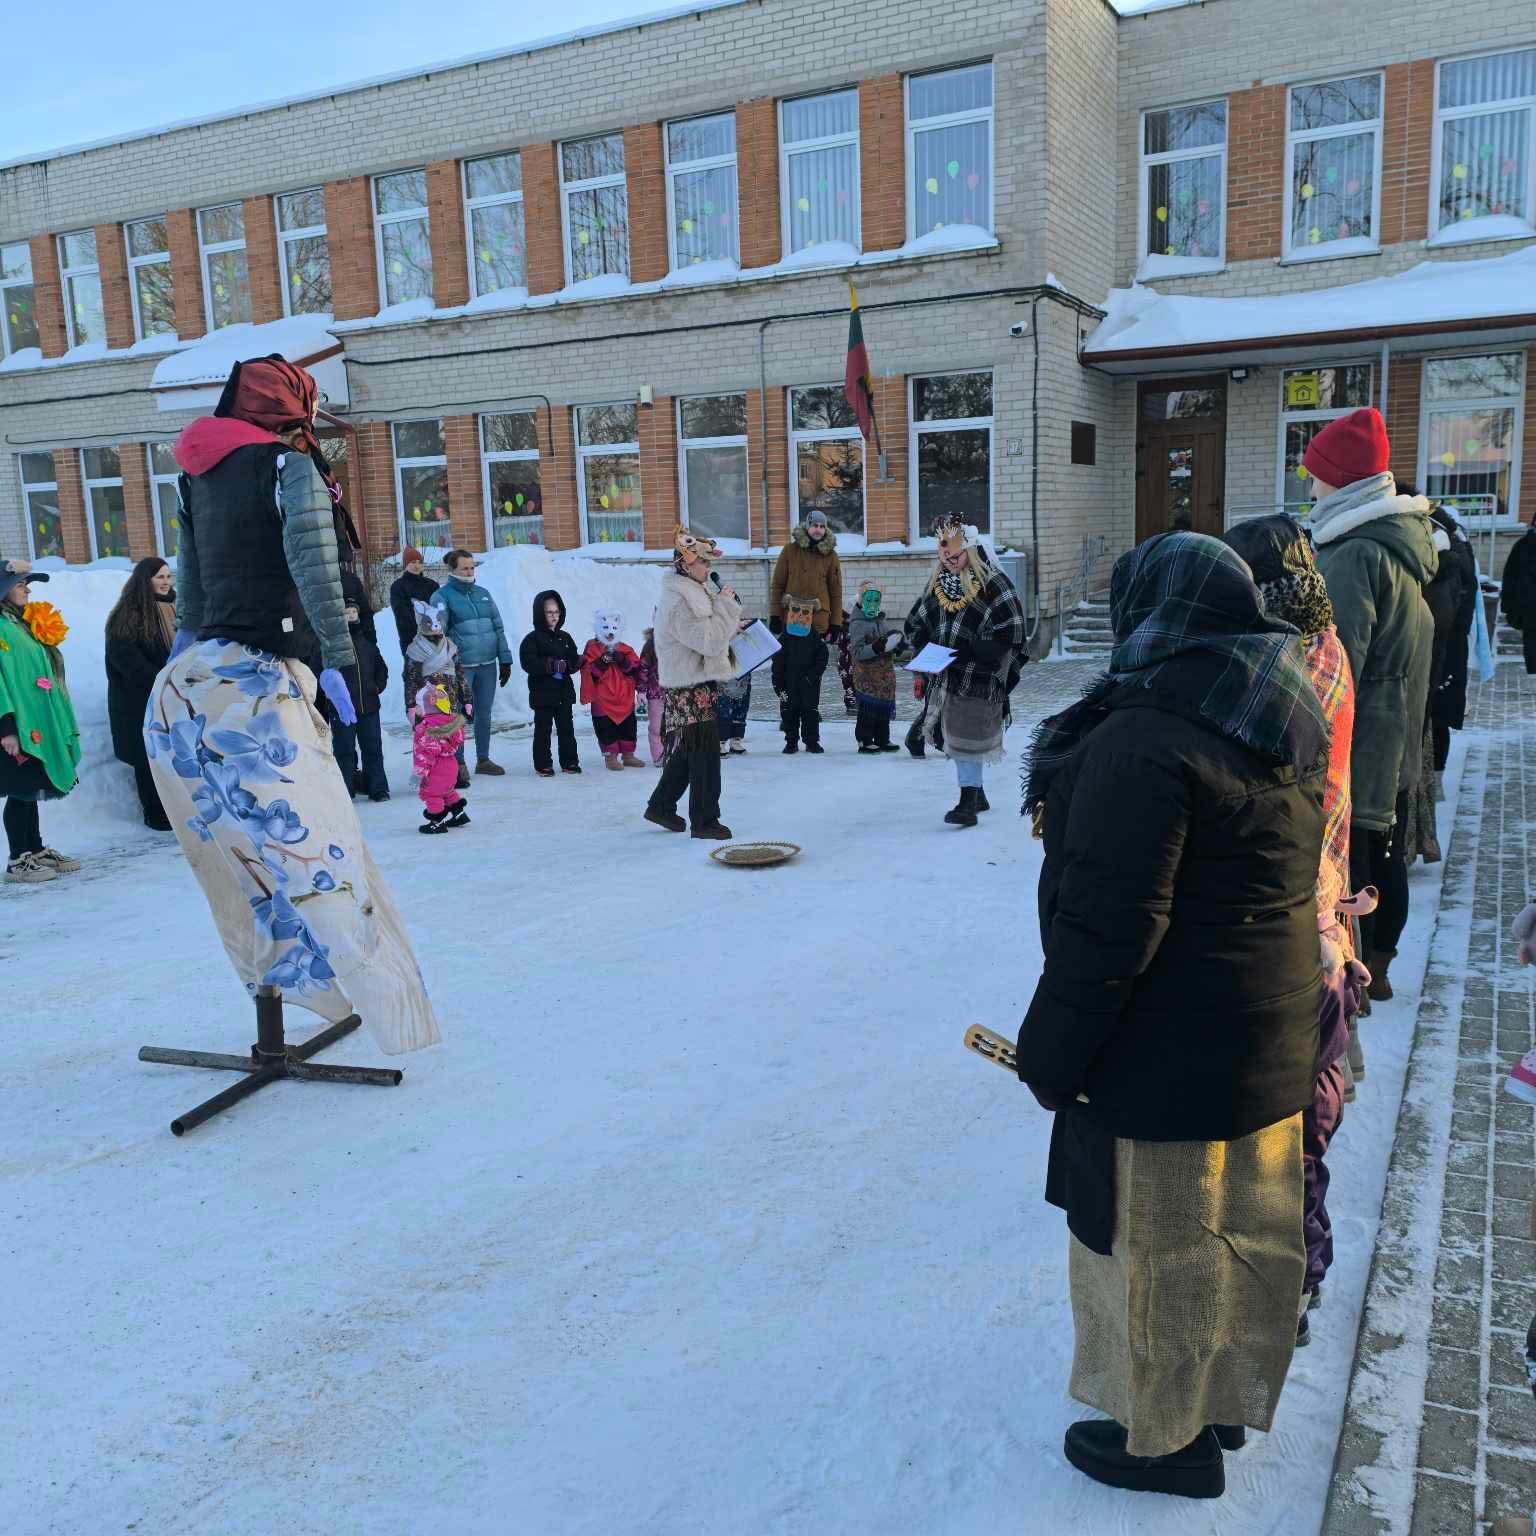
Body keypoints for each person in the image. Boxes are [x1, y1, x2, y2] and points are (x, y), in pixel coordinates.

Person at [1016, 531, 1329, 1499]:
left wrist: (1050, 1055)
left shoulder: (1142, 739)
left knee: (1159, 1251)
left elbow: (1108, 932)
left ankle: (1167, 1442)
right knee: (1237, 1238)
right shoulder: (1274, 704)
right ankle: (1220, 1404)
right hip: (1266, 1039)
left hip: (1168, 1054)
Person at [150, 354, 439, 1054]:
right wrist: (339, 658)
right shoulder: (287, 467)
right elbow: (317, 571)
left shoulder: (196, 471)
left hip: (187, 688)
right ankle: (376, 1002)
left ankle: (283, 989)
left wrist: (186, 638)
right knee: (318, 858)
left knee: (235, 862)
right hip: (260, 687)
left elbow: (191, 574)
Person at [1223, 513, 1367, 1333]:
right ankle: (1295, 1282)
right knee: (1302, 1124)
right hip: (1320, 915)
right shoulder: (1325, 643)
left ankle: (1289, 1292)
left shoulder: (1287, 672)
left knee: (1290, 1131)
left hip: (1298, 926)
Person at [1310, 408, 1437, 1002]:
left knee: (1356, 857)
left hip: (1360, 736)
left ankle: (1357, 975)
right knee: (1383, 847)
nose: (1311, 485)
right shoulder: (1397, 547)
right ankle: (1379, 966)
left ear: (1341, 481)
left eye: (1316, 473)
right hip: (1394, 726)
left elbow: (1337, 665)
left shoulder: (1354, 554)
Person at [902, 514, 1027, 827]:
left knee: (966, 734)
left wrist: (974, 650)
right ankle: (977, 793)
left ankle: (967, 803)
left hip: (980, 675)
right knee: (953, 734)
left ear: (968, 546)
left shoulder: (993, 582)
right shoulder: (939, 583)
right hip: (946, 674)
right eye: (943, 550)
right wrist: (923, 644)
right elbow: (917, 621)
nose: (948, 556)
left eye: (954, 549)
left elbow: (1011, 631)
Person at [644, 527, 741, 839]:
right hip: (688, 685)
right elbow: (708, 641)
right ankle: (704, 821)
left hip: (696, 681)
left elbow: (708, 634)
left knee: (690, 750)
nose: (708, 567)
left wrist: (730, 625)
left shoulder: (693, 591)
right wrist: (726, 608)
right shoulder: (679, 600)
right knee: (705, 752)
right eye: (703, 562)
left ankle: (661, 806)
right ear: (685, 566)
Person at [0, 563, 81, 883]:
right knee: (20, 789)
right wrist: (6, 728)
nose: (27, 589)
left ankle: (33, 849)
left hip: (34, 721)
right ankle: (17, 860)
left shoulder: (19, 622)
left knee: (31, 785)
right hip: (13, 725)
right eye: (20, 584)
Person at [105, 555, 177, 830]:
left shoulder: (176, 608)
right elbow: (128, 662)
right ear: (144, 580)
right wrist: (163, 680)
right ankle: (156, 815)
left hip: (170, 698)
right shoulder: (127, 616)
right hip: (139, 702)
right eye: (159, 577)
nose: (166, 582)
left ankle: (177, 812)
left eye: (168, 576)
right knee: (148, 761)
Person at [432, 549, 512, 776]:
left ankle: (483, 760)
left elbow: (498, 627)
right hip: (461, 668)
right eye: (464, 568)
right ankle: (458, 763)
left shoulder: (483, 594)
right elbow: (437, 635)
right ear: (453, 570)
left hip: (487, 665)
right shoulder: (441, 596)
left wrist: (505, 659)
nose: (469, 572)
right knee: (458, 714)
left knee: (484, 713)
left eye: (472, 567)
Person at [1426, 503, 1480, 783]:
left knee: (1435, 716)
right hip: (1450, 648)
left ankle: (1435, 778)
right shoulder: (1457, 549)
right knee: (1439, 716)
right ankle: (1436, 777)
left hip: (1442, 649)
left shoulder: (1445, 562)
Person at [326, 570, 390, 801]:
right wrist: (332, 697)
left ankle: (378, 788)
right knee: (344, 751)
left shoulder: (367, 642)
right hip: (342, 709)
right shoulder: (331, 646)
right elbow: (322, 673)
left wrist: (376, 687)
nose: (351, 616)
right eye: (346, 613)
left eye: (354, 612)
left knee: (373, 748)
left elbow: (381, 668)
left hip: (369, 705)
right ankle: (345, 790)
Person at [520, 589, 582, 778]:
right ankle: (543, 764)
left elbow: (572, 658)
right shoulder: (532, 639)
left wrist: (575, 663)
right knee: (543, 730)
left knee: (567, 729)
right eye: (549, 612)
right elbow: (528, 662)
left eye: (557, 612)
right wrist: (550, 665)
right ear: (540, 613)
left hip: (564, 692)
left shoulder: (565, 637)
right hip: (543, 694)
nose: (554, 616)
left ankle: (570, 761)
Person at [769, 508, 843, 652]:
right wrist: (775, 615)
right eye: (815, 525)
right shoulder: (789, 551)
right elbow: (778, 585)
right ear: (807, 526)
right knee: (791, 662)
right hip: (792, 618)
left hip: (818, 621)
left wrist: (836, 623)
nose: (818, 530)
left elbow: (836, 592)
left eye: (822, 526)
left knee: (815, 662)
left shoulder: (831, 556)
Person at [580, 608, 642, 771]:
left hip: (624, 696)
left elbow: (634, 669)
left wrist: (622, 660)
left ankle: (628, 755)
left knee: (628, 726)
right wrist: (603, 661)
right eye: (606, 628)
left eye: (614, 628)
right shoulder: (592, 647)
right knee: (605, 727)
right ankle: (610, 757)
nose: (610, 632)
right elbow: (589, 673)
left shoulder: (625, 648)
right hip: (603, 697)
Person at [848, 582, 906, 753]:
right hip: (867, 674)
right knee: (868, 708)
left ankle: (882, 738)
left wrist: (896, 646)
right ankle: (865, 740)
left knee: (883, 708)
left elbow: (885, 642)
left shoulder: (881, 619)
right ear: (861, 599)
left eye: (876, 599)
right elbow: (857, 652)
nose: (872, 603)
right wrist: (875, 647)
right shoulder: (858, 623)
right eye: (869, 599)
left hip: (884, 674)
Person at [772, 595, 828, 754]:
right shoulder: (784, 639)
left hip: (809, 684)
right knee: (789, 713)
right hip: (788, 684)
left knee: (810, 712)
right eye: (795, 611)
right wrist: (778, 683)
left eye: (805, 612)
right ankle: (791, 741)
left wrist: (813, 675)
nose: (800, 616)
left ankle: (812, 741)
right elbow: (777, 663)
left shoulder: (814, 638)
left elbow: (822, 657)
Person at [412, 682, 469, 833]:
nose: (416, 709)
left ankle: (437, 822)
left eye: (418, 705)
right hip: (451, 766)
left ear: (430, 704)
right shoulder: (450, 723)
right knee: (447, 792)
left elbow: (426, 754)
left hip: (435, 769)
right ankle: (459, 814)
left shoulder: (427, 728)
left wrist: (418, 775)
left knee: (432, 794)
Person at [387, 546, 437, 683]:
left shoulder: (432, 585)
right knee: (415, 678)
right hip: (411, 639)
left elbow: (438, 611)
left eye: (419, 562)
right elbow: (401, 613)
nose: (417, 565)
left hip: (433, 638)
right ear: (405, 564)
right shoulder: (398, 586)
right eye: (412, 562)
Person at [1501, 518, 1536, 675]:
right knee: (1532, 641)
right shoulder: (1522, 546)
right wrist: (1508, 605)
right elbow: (1510, 576)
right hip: (1529, 606)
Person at [637, 623, 665, 767]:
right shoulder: (651, 644)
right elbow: (643, 668)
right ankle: (659, 755)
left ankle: (674, 753)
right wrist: (641, 691)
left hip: (676, 692)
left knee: (675, 725)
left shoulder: (679, 639)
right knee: (656, 727)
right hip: (655, 693)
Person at [715, 672, 753, 756]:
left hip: (743, 677)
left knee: (740, 711)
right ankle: (720, 742)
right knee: (723, 711)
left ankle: (736, 741)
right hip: (723, 676)